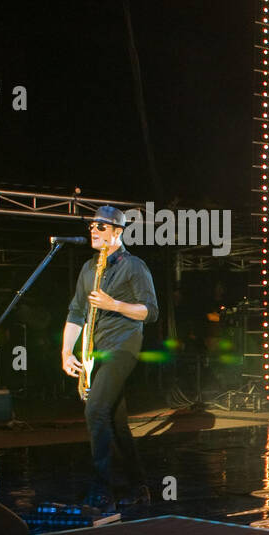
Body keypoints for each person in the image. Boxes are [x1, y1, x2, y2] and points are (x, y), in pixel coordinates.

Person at [61, 205, 159, 513]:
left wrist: (114, 304)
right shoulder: (89, 268)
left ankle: (102, 490)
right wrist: (66, 351)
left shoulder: (134, 266)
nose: (93, 230)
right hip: (97, 349)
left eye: (101, 226)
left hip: (123, 346)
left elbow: (150, 311)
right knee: (116, 421)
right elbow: (76, 312)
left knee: (96, 410)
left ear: (117, 232)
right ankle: (139, 487)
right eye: (92, 226)